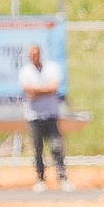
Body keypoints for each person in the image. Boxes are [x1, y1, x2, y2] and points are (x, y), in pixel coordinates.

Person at [19, 44, 69, 192]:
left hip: (51, 114)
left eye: (36, 54)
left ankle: (62, 177)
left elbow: (54, 88)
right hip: (34, 116)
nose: (33, 57)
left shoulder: (51, 68)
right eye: (31, 55)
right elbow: (29, 92)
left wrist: (39, 90)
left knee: (56, 147)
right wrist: (44, 90)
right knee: (37, 149)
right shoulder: (25, 72)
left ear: (40, 54)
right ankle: (40, 178)